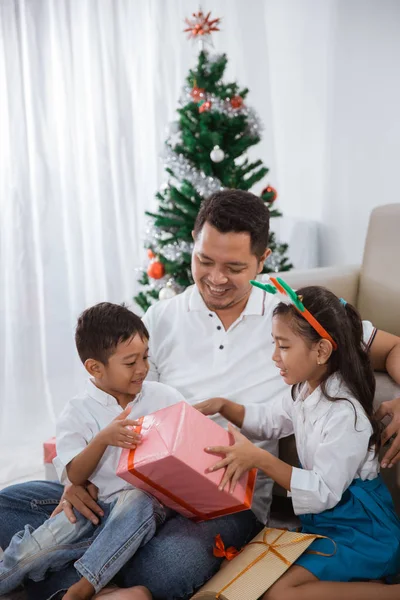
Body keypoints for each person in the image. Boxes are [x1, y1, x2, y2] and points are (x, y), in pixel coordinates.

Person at [0, 190, 399, 600]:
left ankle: (80, 564)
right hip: (134, 488)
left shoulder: (292, 320)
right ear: (192, 241)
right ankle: (103, 566)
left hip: (223, 503)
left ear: (262, 262)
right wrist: (74, 482)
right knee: (7, 504)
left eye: (234, 266)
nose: (216, 278)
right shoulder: (160, 319)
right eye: (204, 260)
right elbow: (108, 393)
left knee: (170, 569)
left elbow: (392, 347)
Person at [198, 282, 400, 600]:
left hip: (361, 530)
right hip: (329, 521)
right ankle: (363, 585)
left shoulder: (345, 415)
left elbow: (322, 493)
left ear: (321, 351)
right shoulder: (303, 390)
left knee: (279, 594)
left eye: (284, 346)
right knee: (256, 582)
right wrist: (224, 405)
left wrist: (259, 458)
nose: (274, 357)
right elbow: (268, 421)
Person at [0, 303, 185, 600]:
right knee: (38, 548)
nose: (143, 369)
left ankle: (84, 585)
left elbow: (188, 441)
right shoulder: (77, 411)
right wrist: (102, 440)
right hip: (95, 508)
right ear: (95, 367)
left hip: (145, 508)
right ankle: (12, 575)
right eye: (130, 362)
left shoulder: (163, 396)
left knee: (138, 497)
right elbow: (75, 474)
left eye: (145, 357)